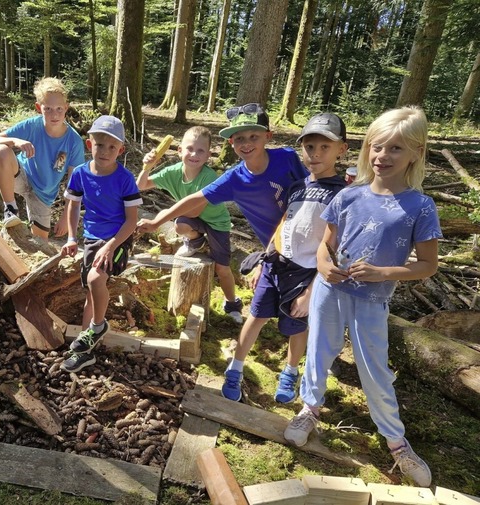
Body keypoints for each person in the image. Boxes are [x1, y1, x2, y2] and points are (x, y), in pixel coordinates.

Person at [283, 106, 441, 487]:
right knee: (320, 349)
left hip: (371, 301)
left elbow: (427, 265)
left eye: (396, 149)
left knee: (374, 368)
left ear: (416, 153)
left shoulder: (419, 205)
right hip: (329, 292)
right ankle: (310, 407)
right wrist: (323, 266)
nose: (383, 157)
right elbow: (326, 245)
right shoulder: (349, 195)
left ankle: (396, 440)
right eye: (377, 147)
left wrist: (382, 273)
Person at [137, 103, 308, 376]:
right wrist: (158, 221)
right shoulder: (234, 179)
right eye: (239, 138)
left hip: (308, 244)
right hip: (276, 251)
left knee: (305, 307)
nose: (246, 143)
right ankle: (244, 367)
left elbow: (310, 190)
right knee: (267, 308)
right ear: (231, 143)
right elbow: (194, 200)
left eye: (253, 136)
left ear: (268, 136)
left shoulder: (286, 159)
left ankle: (306, 365)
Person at [223, 113, 348, 404]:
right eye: (309, 147)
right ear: (300, 148)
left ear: (341, 149)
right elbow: (285, 224)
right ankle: (235, 368)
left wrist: (310, 290)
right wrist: (265, 257)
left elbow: (336, 249)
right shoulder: (297, 186)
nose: (315, 154)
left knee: (297, 325)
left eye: (324, 148)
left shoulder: (343, 195)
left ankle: (290, 372)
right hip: (276, 265)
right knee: (255, 316)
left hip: (306, 274)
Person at [60, 115, 142, 373]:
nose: (105, 151)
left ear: (121, 150)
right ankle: (87, 349)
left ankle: (98, 326)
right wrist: (72, 237)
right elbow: (73, 205)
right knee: (91, 292)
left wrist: (112, 246)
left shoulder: (125, 179)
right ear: (89, 144)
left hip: (118, 238)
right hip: (91, 239)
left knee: (96, 279)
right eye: (99, 145)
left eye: (112, 147)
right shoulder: (81, 174)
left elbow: (131, 221)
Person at [136, 126, 243, 323]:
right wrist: (148, 166)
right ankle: (195, 242)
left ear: (209, 155)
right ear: (179, 151)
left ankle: (232, 304)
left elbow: (194, 210)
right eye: (189, 149)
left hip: (216, 224)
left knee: (222, 267)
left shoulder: (208, 177)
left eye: (201, 150)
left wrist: (158, 220)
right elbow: (141, 186)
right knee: (180, 226)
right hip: (193, 222)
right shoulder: (173, 172)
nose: (194, 154)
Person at [0, 77, 85, 239]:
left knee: (40, 244)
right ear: (39, 108)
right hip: (21, 177)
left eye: (59, 108)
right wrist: (14, 141)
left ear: (66, 108)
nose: (54, 114)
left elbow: (74, 183)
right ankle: (10, 208)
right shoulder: (31, 126)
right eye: (48, 109)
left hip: (44, 194)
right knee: (1, 150)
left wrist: (66, 217)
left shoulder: (74, 141)